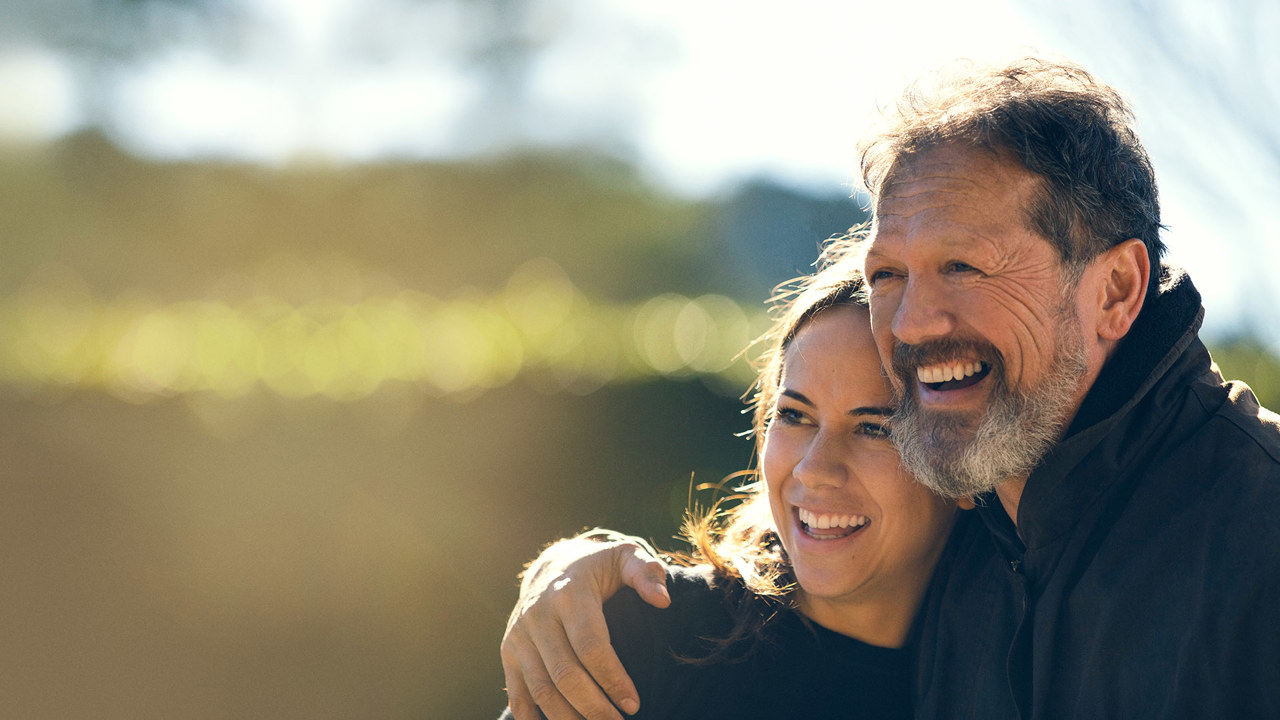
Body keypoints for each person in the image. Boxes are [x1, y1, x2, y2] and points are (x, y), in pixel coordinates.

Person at [501, 56, 1280, 720]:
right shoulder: (982, 526)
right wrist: (578, 572)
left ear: (1115, 290)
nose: (909, 324)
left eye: (963, 265)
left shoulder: (1254, 534)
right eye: (887, 275)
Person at [500, 268, 970, 719]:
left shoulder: (995, 681)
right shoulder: (637, 638)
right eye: (794, 415)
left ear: (966, 468)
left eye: (874, 428)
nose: (814, 469)